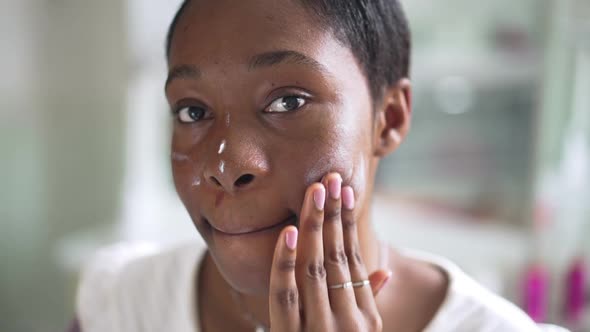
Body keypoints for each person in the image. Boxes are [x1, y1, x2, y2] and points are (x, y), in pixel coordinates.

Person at [71, 0, 552, 331]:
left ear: (389, 118)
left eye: (288, 102)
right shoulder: (120, 304)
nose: (228, 164)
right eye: (193, 112)